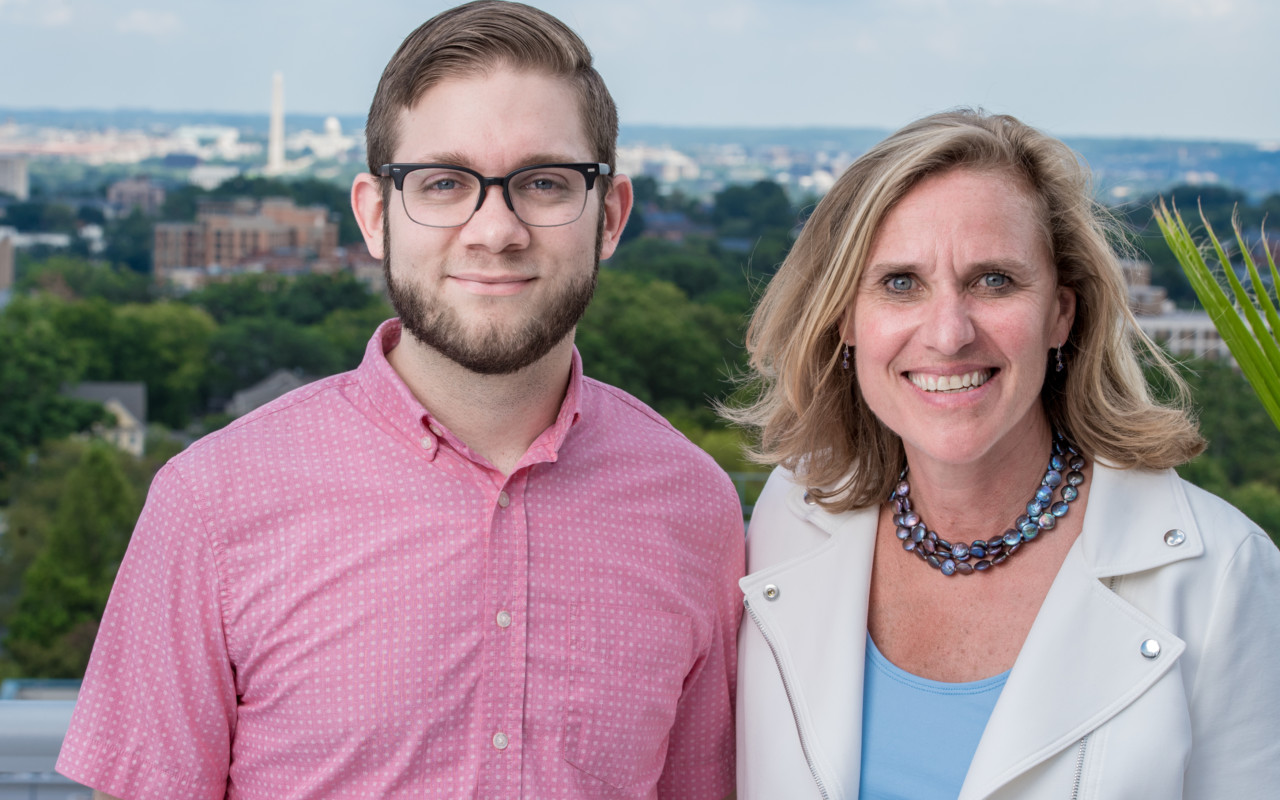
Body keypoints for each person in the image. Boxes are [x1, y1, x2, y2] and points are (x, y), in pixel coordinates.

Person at [55, 3, 744, 798]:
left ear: (612, 215)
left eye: (546, 182)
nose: (496, 230)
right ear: (376, 215)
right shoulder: (211, 504)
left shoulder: (693, 506)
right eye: (445, 183)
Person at [727, 109, 1280, 799]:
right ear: (844, 319)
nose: (949, 333)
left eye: (995, 281)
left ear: (1061, 314)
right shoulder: (791, 515)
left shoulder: (1221, 576)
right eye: (900, 282)